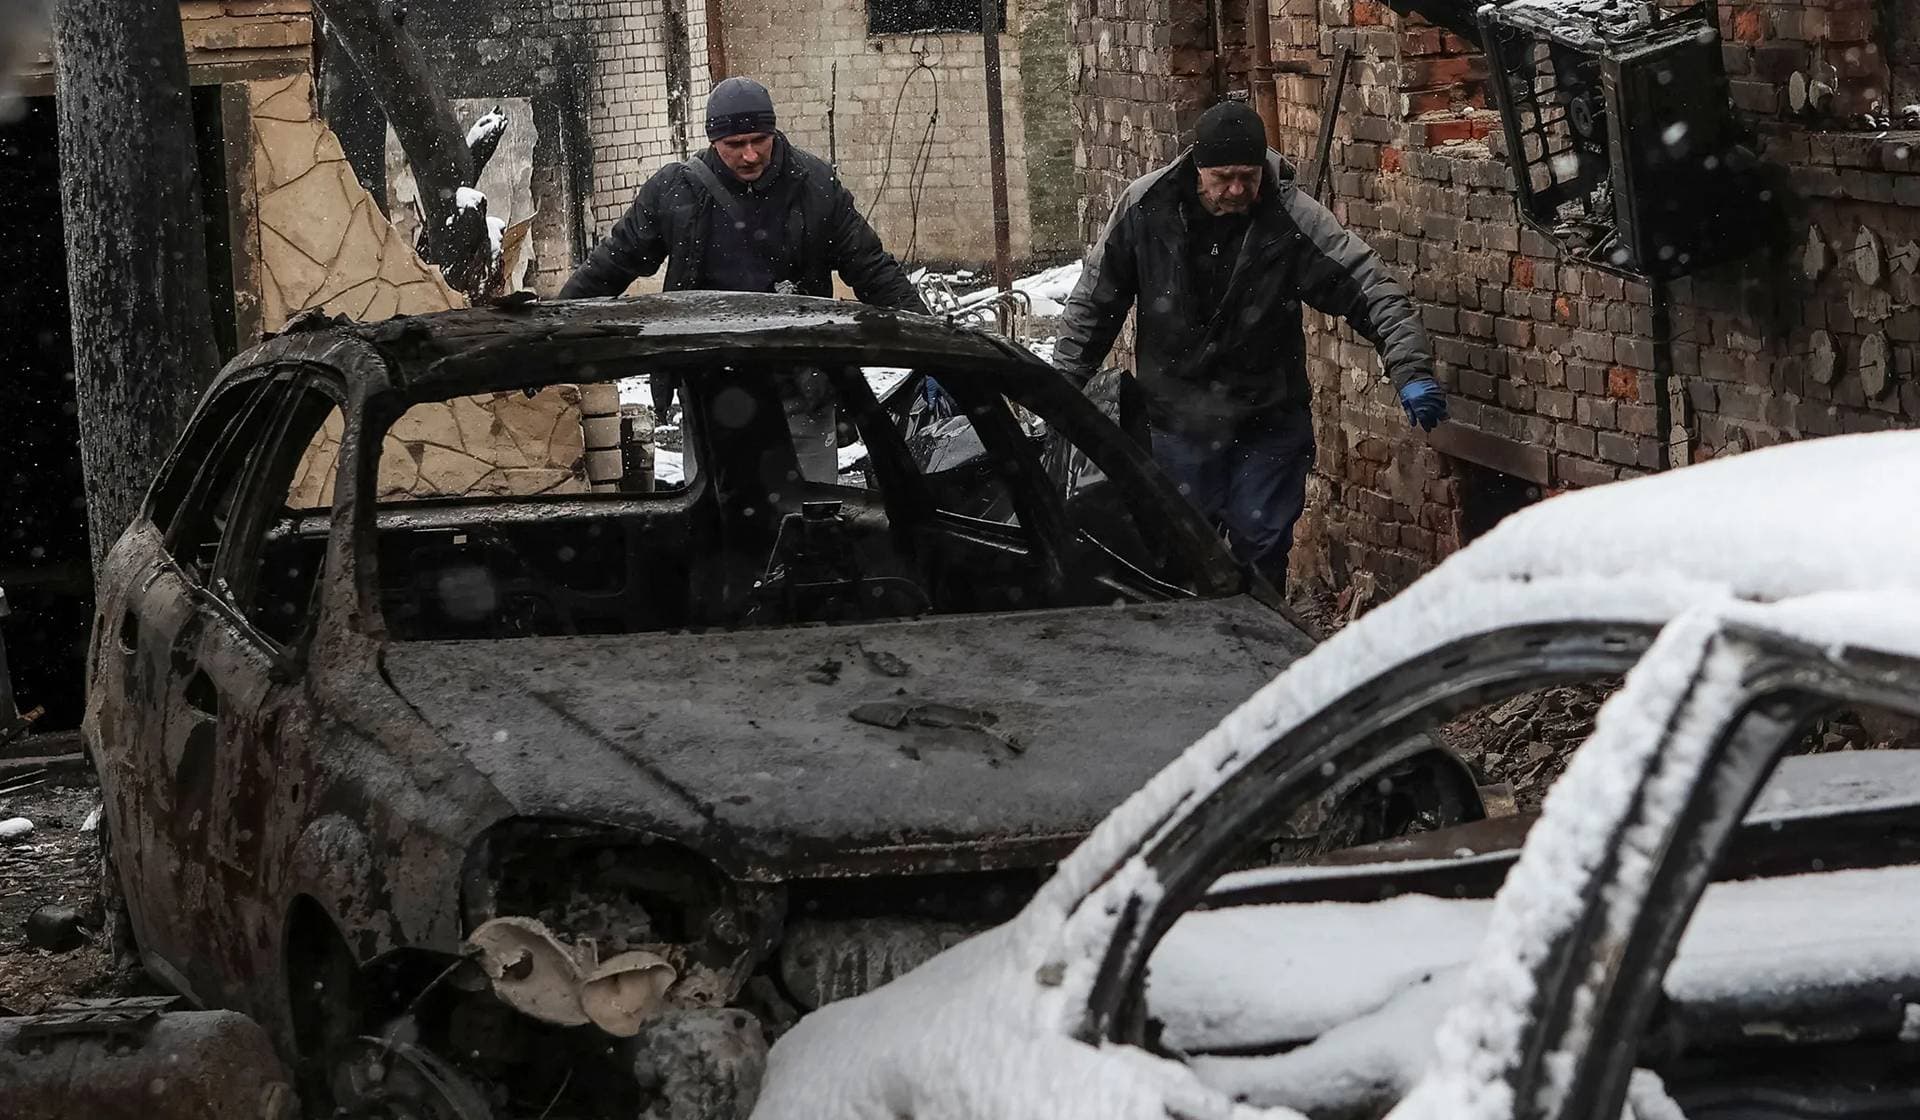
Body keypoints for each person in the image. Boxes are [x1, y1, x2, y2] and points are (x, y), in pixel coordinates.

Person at [1054, 101, 1446, 592]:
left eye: (1248, 176)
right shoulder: (1146, 209)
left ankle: (1260, 649)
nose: (1237, 190)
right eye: (1223, 177)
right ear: (1197, 167)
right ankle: (1194, 652)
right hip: (1178, 417)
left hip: (1268, 416)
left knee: (1260, 543)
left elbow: (1368, 286)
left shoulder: (1291, 218)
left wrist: (1411, 369)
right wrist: (1059, 392)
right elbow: (1094, 303)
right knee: (1184, 551)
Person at [560, 77, 929, 479]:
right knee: (718, 515)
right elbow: (611, 265)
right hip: (711, 388)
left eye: (759, 139)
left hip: (803, 386)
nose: (750, 155)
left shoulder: (816, 187)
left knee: (813, 514)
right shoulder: (674, 193)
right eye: (735, 145)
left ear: (773, 132)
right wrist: (551, 332)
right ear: (713, 141)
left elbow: (873, 268)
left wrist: (932, 345)